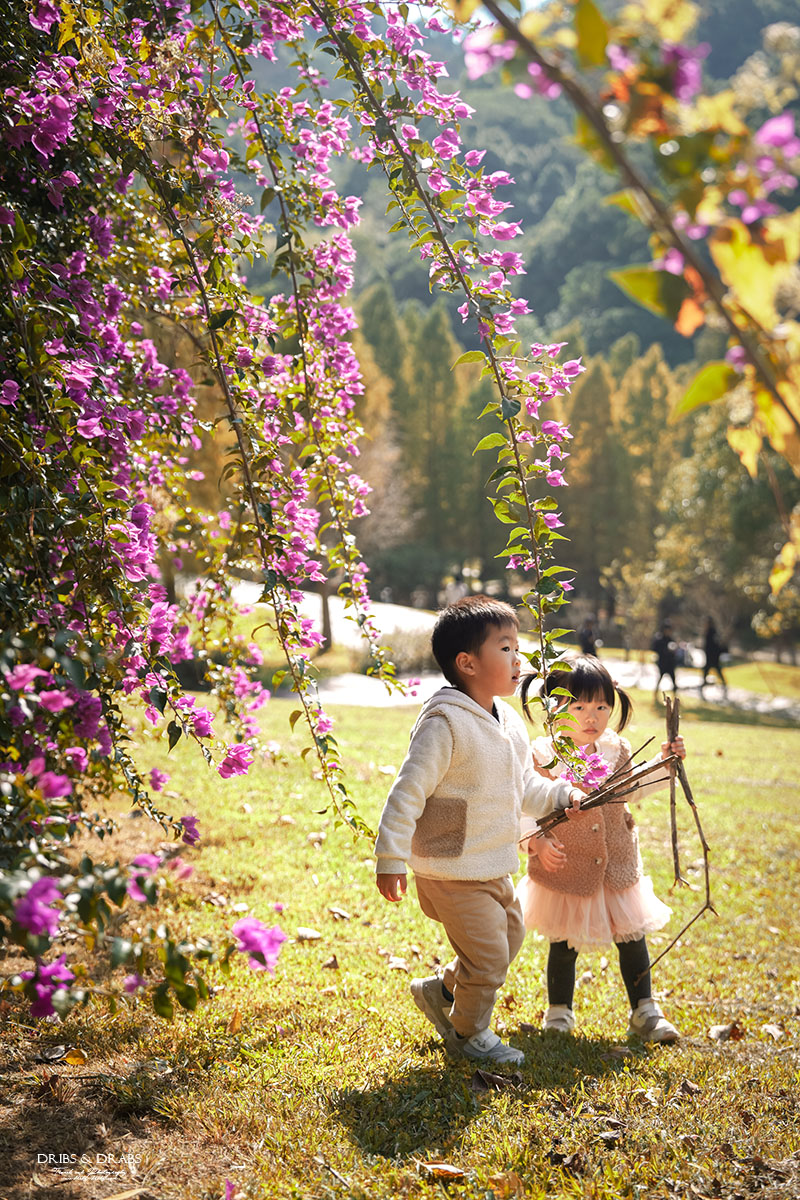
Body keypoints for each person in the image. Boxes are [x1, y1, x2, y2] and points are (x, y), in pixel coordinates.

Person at [374, 596, 584, 1067]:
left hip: (492, 861)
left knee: (508, 939)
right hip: (450, 865)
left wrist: (559, 795)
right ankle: (469, 1032)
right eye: (506, 648)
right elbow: (407, 792)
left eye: (518, 646)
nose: (519, 659)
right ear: (467, 663)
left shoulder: (508, 722)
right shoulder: (444, 723)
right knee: (488, 958)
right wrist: (390, 859)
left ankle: (441, 989)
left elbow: (523, 784)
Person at [518, 655, 685, 1043]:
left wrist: (666, 763)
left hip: (617, 863)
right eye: (578, 707)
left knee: (631, 937)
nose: (591, 716)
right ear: (554, 707)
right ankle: (559, 1011)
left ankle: (645, 1010)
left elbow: (634, 789)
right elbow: (525, 803)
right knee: (563, 941)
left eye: (601, 706)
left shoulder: (615, 749)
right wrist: (536, 842)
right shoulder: (545, 755)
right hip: (566, 864)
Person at [651, 619, 678, 697]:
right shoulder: (659, 639)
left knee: (673, 679)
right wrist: (665, 650)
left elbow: (674, 652)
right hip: (663, 663)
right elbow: (655, 648)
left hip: (670, 664)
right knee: (660, 678)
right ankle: (655, 693)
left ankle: (675, 695)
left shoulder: (671, 640)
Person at [702, 617, 728, 691]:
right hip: (709, 655)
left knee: (716, 668)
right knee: (707, 669)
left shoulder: (712, 632)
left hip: (713, 655)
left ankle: (723, 682)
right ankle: (704, 682)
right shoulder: (707, 631)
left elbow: (715, 644)